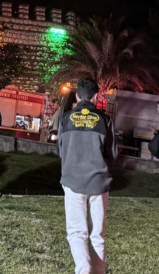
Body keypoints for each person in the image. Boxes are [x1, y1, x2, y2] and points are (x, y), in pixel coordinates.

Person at [58, 78, 117, 274]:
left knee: (77, 232)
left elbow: (60, 150)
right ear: (96, 97)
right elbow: (112, 153)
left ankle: (84, 270)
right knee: (97, 235)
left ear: (77, 96)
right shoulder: (105, 120)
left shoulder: (65, 119)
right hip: (99, 182)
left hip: (73, 180)